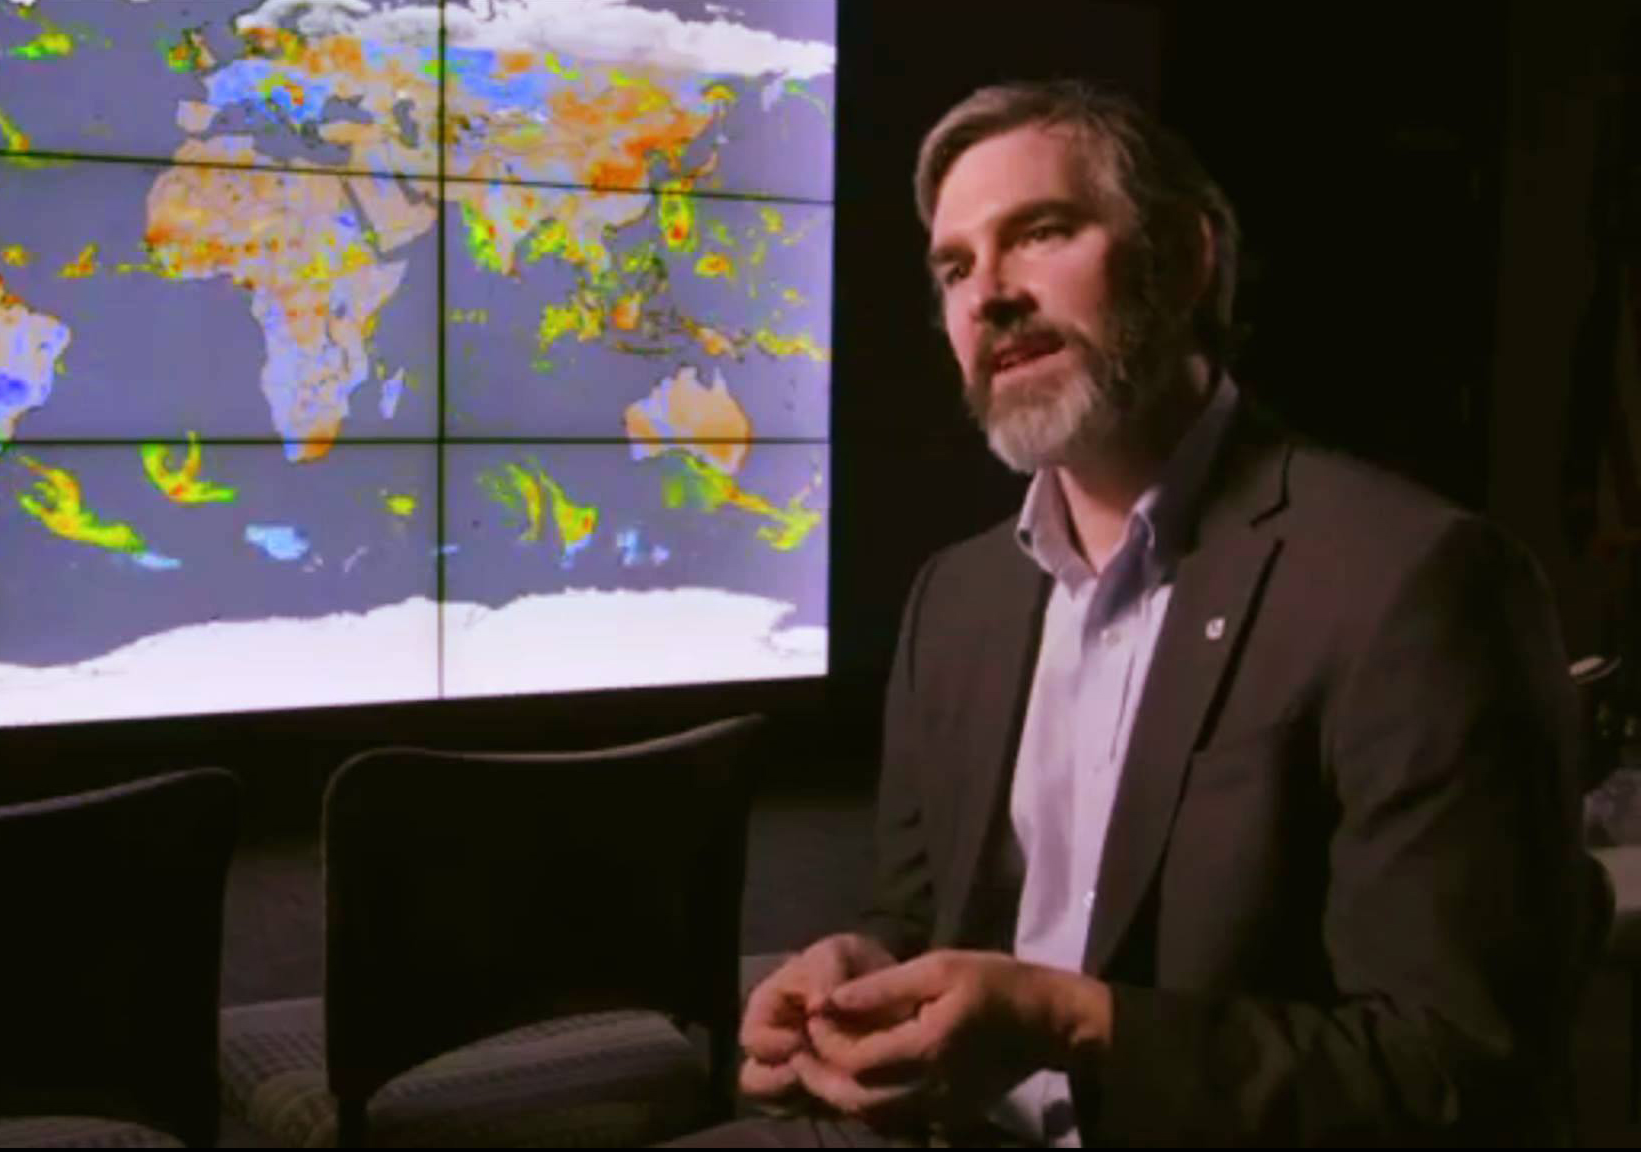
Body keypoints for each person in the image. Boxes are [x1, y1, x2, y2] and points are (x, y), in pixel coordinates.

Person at [671, 79, 1604, 1147]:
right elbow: (923, 921)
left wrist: (1071, 1022)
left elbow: (1454, 1073)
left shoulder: (1415, 582)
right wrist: (862, 974)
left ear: (1184, 257)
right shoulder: (957, 598)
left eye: (1040, 233)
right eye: (953, 267)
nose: (988, 296)